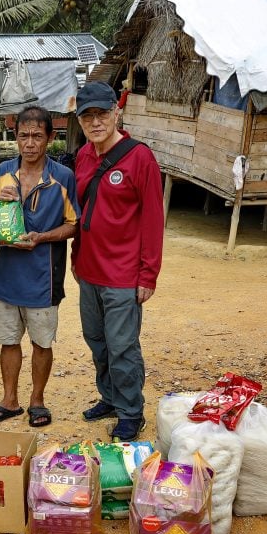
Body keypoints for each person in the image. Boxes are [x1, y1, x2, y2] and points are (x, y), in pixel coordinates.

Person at [72, 81, 164, 441]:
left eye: (102, 113)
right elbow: (79, 213)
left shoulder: (139, 158)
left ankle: (130, 411)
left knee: (123, 345)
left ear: (116, 113)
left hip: (124, 274)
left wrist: (148, 274)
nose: (96, 122)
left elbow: (154, 219)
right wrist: (76, 259)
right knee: (96, 340)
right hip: (89, 271)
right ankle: (109, 397)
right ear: (80, 121)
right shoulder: (83, 156)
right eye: (87, 116)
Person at [0, 105, 79, 428]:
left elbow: (74, 225)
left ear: (50, 137)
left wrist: (43, 236)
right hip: (7, 276)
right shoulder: (1, 174)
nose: (30, 143)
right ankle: (9, 400)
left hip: (44, 277)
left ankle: (37, 401)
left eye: (37, 136)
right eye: (23, 136)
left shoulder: (62, 177)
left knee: (41, 342)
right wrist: (0, 203)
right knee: (8, 340)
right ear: (15, 137)